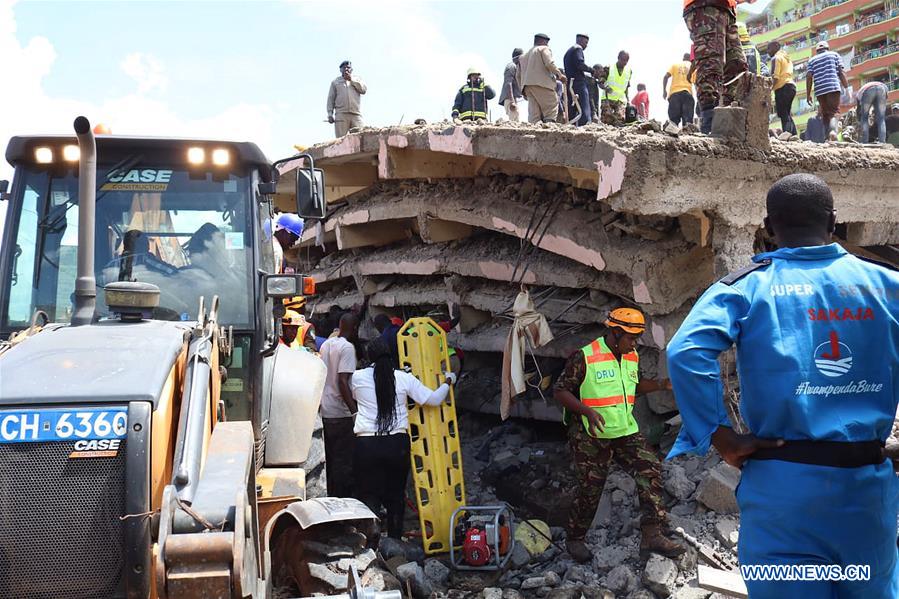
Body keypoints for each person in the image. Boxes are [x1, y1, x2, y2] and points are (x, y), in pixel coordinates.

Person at [667, 174, 899, 599]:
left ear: (769, 227)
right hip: (866, 493)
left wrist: (719, 436)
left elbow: (685, 352)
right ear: (833, 222)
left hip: (782, 490)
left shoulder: (748, 286)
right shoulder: (887, 284)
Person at [554, 308, 686, 564]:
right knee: (591, 488)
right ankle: (575, 538)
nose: (634, 344)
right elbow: (560, 391)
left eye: (637, 339)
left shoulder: (631, 356)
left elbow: (634, 386)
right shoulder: (585, 356)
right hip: (590, 434)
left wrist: (661, 384)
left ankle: (651, 535)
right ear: (615, 333)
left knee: (650, 469)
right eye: (631, 338)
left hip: (624, 430)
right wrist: (586, 411)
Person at [351, 338, 456, 538]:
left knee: (369, 494)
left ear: (369, 357)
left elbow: (356, 397)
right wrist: (448, 381)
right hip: (396, 445)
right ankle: (395, 541)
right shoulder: (404, 378)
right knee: (396, 495)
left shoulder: (357, 377)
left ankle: (370, 541)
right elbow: (433, 399)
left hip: (367, 444)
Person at [683, 0, 756, 134]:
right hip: (706, 6)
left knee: (737, 65)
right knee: (711, 63)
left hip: (727, 11)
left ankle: (729, 116)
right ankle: (709, 122)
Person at [319, 312, 360, 498]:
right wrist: (354, 412)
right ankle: (343, 501)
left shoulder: (326, 344)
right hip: (341, 413)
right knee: (344, 463)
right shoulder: (348, 348)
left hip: (325, 410)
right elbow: (343, 381)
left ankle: (330, 497)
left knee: (330, 460)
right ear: (354, 328)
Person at [517, 33, 567, 124]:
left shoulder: (523, 56)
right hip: (542, 84)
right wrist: (560, 75)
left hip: (527, 86)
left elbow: (518, 75)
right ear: (543, 41)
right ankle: (549, 127)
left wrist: (522, 89)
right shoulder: (543, 49)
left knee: (534, 114)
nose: (547, 45)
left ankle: (534, 129)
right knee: (551, 106)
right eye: (547, 42)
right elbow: (549, 63)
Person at [806, 41, 848, 140]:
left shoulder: (811, 61)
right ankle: (833, 132)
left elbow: (809, 76)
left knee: (825, 114)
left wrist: (808, 94)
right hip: (833, 86)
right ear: (827, 48)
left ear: (817, 50)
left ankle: (826, 137)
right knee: (834, 113)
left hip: (819, 90)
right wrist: (846, 87)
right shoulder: (834, 55)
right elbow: (841, 72)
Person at [326, 60, 367, 138]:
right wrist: (330, 114)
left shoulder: (357, 79)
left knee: (361, 136)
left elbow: (363, 90)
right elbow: (331, 98)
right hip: (341, 114)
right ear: (340, 70)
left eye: (348, 67)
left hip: (355, 114)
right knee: (341, 139)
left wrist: (351, 80)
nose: (346, 69)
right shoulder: (335, 82)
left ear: (352, 69)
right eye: (344, 68)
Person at [563, 34, 594, 126]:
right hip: (577, 82)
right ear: (580, 40)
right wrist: (592, 70)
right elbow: (580, 64)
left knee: (572, 107)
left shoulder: (569, 51)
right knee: (584, 106)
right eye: (586, 42)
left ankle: (571, 126)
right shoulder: (577, 49)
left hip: (570, 83)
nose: (586, 45)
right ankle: (585, 126)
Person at [768, 41, 797, 135]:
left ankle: (787, 134)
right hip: (791, 86)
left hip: (782, 87)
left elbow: (775, 77)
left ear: (776, 46)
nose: (768, 51)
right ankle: (794, 135)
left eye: (769, 48)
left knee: (783, 113)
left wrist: (769, 89)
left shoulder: (776, 58)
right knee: (787, 113)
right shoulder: (786, 58)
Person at [663, 53, 696, 127]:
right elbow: (696, 83)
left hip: (674, 94)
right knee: (687, 123)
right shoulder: (692, 67)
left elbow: (666, 77)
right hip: (687, 94)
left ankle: (673, 133)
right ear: (690, 59)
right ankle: (687, 133)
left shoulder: (675, 65)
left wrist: (664, 91)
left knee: (673, 123)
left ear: (683, 58)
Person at [601, 51, 632, 126]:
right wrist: (606, 88)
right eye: (623, 59)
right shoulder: (608, 68)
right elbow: (600, 82)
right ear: (618, 58)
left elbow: (626, 87)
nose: (624, 62)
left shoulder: (629, 71)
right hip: (608, 99)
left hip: (620, 100)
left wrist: (628, 100)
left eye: (626, 60)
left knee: (619, 120)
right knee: (607, 121)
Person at [498, 48, 524, 122]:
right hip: (509, 98)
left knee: (516, 118)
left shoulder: (516, 67)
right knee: (514, 119)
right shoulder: (511, 66)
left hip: (512, 98)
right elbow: (508, 84)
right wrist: (512, 101)